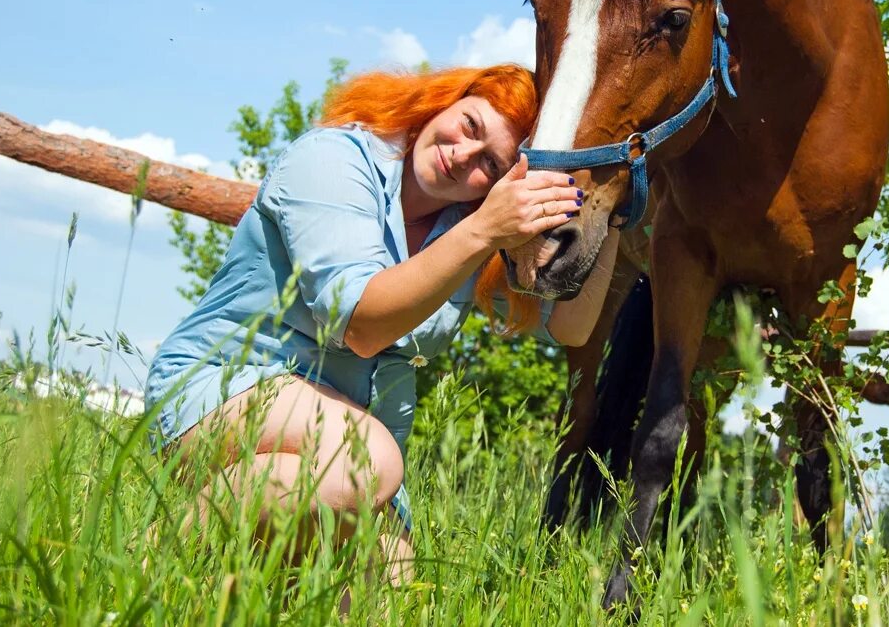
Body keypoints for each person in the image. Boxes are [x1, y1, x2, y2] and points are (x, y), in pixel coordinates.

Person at [144, 63, 619, 592]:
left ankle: (220, 589)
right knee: (363, 460)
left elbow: (572, 329)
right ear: (444, 101)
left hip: (345, 464)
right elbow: (363, 327)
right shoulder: (334, 161)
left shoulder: (469, 229)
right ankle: (155, 566)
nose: (463, 156)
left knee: (390, 593)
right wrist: (487, 229)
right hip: (225, 390)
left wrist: (614, 200)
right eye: (469, 126)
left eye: (491, 162)